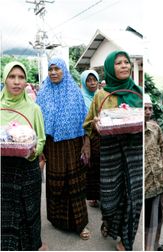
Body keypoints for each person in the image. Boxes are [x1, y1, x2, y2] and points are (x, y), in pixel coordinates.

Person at [82, 50, 144, 251]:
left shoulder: (138, 92)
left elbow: (146, 120)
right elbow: (89, 123)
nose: (125, 65)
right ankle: (109, 222)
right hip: (110, 150)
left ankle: (126, 241)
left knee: (134, 195)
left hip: (135, 150)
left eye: (127, 62)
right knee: (111, 194)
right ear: (110, 68)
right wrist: (97, 123)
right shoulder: (101, 94)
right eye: (118, 63)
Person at [35, 58, 91, 240]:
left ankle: (80, 224)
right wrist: (41, 147)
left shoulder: (75, 92)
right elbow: (38, 124)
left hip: (73, 145)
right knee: (56, 183)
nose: (53, 72)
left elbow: (84, 121)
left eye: (56, 68)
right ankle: (58, 220)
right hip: (52, 146)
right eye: (50, 69)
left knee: (75, 183)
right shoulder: (43, 93)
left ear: (64, 71)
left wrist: (85, 144)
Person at [1, 62, 48, 251]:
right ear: (5, 79)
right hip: (4, 169)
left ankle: (33, 244)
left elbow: (41, 139)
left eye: (21, 77)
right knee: (7, 212)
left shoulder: (33, 108)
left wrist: (32, 151)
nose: (17, 82)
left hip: (28, 168)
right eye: (12, 77)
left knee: (30, 209)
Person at [143, 94, 163, 251]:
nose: (148, 111)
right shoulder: (133, 133)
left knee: (160, 214)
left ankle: (155, 244)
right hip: (144, 185)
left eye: (150, 108)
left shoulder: (155, 129)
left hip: (159, 181)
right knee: (147, 220)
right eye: (144, 108)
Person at [80, 70, 101, 208]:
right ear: (84, 82)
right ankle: (93, 196)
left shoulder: (102, 96)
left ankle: (103, 194)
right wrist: (86, 141)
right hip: (87, 136)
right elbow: (81, 121)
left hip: (102, 136)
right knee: (91, 166)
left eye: (94, 79)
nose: (92, 83)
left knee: (102, 166)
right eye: (89, 80)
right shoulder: (81, 98)